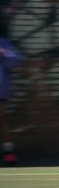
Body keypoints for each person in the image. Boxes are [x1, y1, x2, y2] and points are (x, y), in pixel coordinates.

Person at [0, 37, 21, 165]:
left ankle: (9, 153)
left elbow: (16, 60)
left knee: (2, 121)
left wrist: (2, 51)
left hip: (0, 91)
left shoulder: (2, 42)